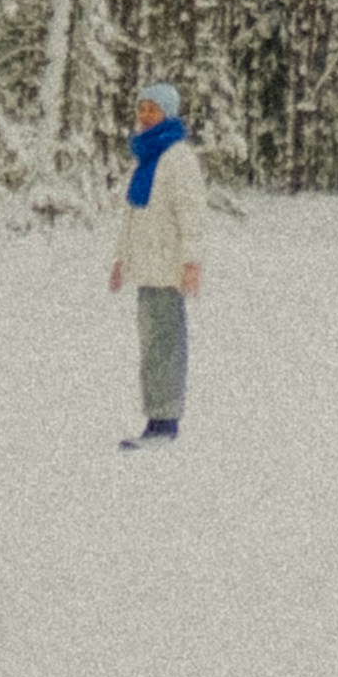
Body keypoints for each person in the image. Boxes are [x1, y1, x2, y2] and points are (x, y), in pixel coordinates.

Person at [107, 78, 208, 443]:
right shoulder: (147, 159)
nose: (145, 115)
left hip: (167, 269)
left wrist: (191, 262)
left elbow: (192, 215)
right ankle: (157, 416)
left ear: (168, 113)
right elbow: (134, 217)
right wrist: (121, 260)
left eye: (153, 109)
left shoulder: (177, 158)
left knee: (164, 343)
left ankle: (164, 421)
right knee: (152, 343)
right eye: (142, 108)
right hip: (147, 269)